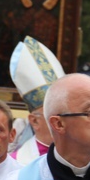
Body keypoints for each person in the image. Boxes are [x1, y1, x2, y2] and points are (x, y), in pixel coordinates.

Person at [9, 36, 64, 165]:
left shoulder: (83, 157)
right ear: (34, 121)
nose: (63, 120)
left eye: (65, 112)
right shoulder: (16, 164)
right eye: (54, 113)